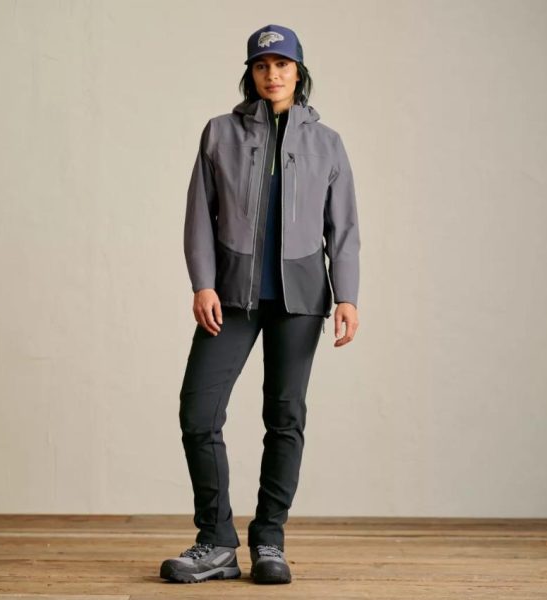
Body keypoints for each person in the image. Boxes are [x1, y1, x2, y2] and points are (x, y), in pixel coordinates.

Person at [159, 23, 361, 585]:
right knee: (198, 413)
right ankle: (216, 541)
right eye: (262, 65)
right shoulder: (220, 133)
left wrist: (347, 295)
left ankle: (269, 540)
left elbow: (343, 228)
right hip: (231, 295)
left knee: (285, 417)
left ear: (299, 71)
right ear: (250, 73)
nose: (272, 74)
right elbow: (199, 215)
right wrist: (203, 283)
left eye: (282, 65)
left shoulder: (327, 143)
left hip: (302, 299)